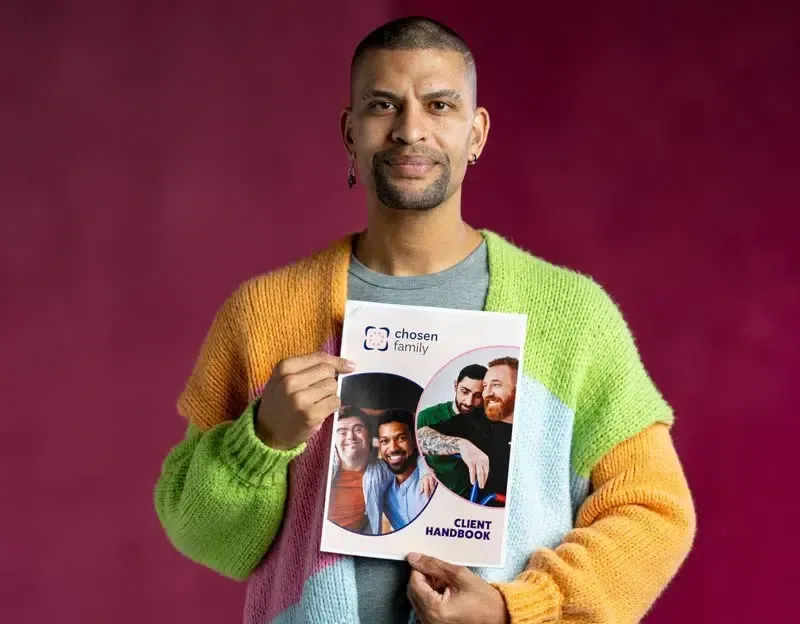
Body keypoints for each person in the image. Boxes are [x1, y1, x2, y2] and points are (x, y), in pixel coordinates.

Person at [154, 15, 696, 624]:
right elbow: (205, 536)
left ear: (476, 133)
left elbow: (652, 509)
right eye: (383, 105)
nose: (411, 130)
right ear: (349, 131)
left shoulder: (572, 317)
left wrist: (513, 608)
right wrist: (263, 439)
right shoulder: (263, 315)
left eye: (439, 105)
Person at [418, 357, 517, 500]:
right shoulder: (476, 419)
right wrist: (461, 445)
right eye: (486, 386)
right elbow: (420, 438)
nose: (487, 393)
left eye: (495, 385)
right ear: (455, 386)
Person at [416, 363, 488, 497]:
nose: (469, 402)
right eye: (464, 391)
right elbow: (414, 452)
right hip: (431, 495)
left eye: (478, 395)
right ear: (455, 386)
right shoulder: (427, 416)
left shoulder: (486, 420)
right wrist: (424, 470)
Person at [376, 409, 431, 531]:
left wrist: (426, 466)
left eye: (401, 438)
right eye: (385, 441)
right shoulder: (383, 488)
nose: (393, 448)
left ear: (415, 441)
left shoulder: (432, 478)